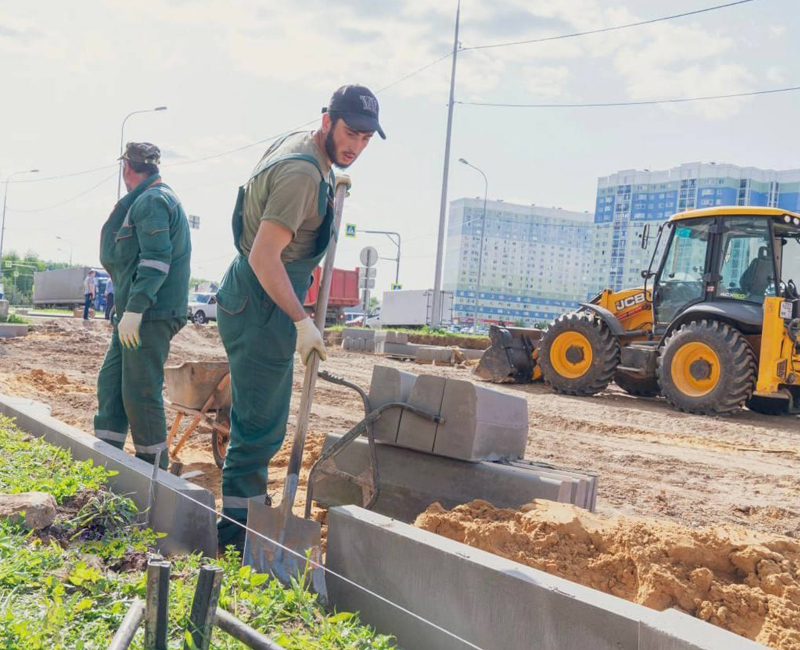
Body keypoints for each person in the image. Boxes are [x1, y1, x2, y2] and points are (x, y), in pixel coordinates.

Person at [216, 84, 385, 550]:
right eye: (351, 133)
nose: (357, 145)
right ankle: (234, 539)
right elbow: (264, 257)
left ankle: (242, 523)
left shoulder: (308, 153)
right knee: (259, 430)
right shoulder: (302, 175)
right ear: (327, 120)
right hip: (262, 303)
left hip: (256, 299)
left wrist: (332, 184)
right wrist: (300, 321)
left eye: (367, 138)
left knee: (258, 421)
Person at [93, 142, 192, 469]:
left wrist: (135, 310)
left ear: (126, 168)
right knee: (112, 384)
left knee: (140, 392)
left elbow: (155, 261)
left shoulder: (151, 200)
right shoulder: (152, 197)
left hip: (149, 315)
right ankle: (107, 459)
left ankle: (153, 471)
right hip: (136, 316)